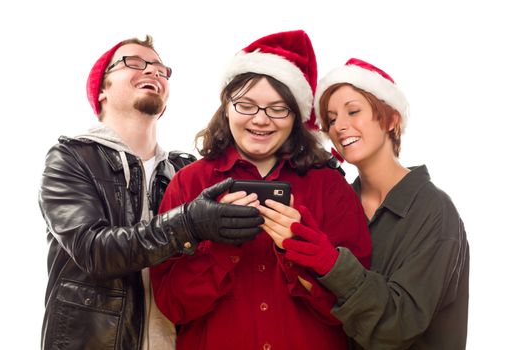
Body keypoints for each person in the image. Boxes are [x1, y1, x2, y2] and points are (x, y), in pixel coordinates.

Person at [38, 35, 264, 350]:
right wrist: (190, 224)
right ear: (102, 89)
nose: (152, 72)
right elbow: (93, 249)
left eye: (160, 69)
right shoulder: (71, 157)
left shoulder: (185, 170)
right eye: (134, 62)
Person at [150, 30, 372, 350]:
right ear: (226, 108)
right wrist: (223, 249)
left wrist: (300, 251)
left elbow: (353, 311)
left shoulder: (330, 187)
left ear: (295, 117)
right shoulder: (189, 184)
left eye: (278, 108)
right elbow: (173, 305)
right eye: (246, 105)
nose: (261, 120)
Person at [282, 58, 469, 349]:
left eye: (353, 111)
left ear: (392, 120)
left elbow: (398, 325)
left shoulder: (434, 211)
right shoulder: (340, 202)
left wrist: (333, 265)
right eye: (331, 120)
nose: (340, 126)